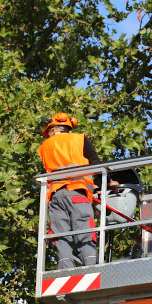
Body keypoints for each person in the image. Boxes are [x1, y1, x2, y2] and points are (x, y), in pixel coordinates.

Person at [37, 112, 102, 269]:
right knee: (84, 229)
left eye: (49, 132)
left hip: (55, 195)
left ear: (55, 129)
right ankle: (91, 266)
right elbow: (96, 163)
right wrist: (103, 184)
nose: (48, 136)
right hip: (77, 191)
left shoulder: (44, 147)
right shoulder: (79, 139)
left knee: (60, 233)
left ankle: (65, 268)